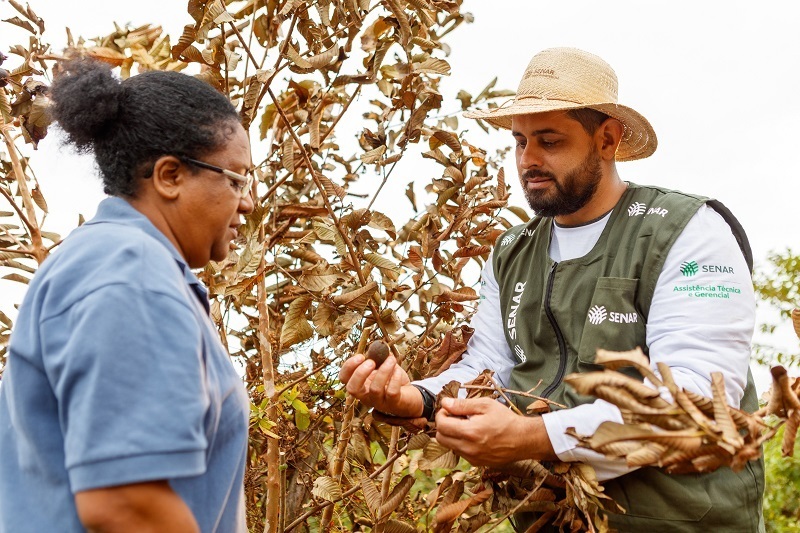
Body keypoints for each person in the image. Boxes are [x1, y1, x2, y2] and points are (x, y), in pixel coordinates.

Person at [340, 47, 764, 531]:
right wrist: (415, 398)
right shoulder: (512, 252)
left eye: (550, 141)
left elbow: (695, 402)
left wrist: (533, 436)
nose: (529, 160)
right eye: (520, 142)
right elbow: (489, 369)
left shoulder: (688, 231)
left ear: (607, 139)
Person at [0, 59, 254, 532]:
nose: (249, 200)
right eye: (236, 179)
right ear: (170, 176)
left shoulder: (125, 263)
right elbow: (125, 504)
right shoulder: (130, 273)